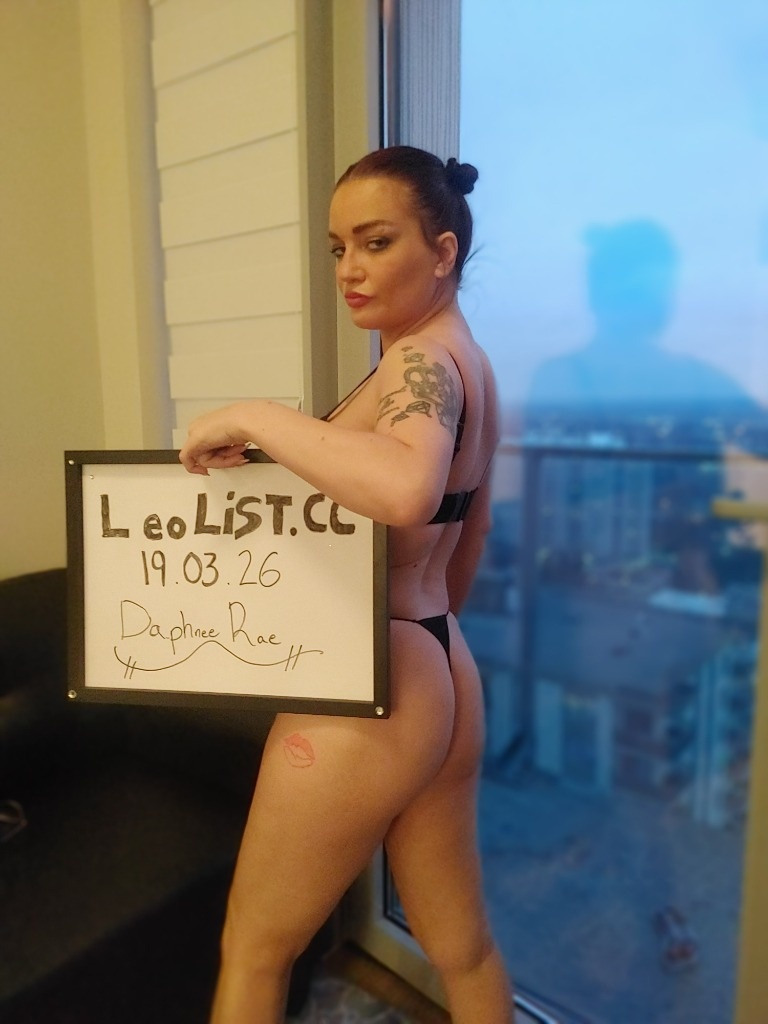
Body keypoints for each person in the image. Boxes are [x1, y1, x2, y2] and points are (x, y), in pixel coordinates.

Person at [179, 145, 514, 1024]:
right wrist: (425, 659)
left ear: (442, 251)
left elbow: (405, 488)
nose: (350, 269)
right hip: (442, 663)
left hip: (374, 677)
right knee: (465, 949)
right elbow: (472, 532)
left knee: (255, 947)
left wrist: (255, 414)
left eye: (376, 241)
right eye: (338, 248)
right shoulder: (471, 363)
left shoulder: (417, 363)